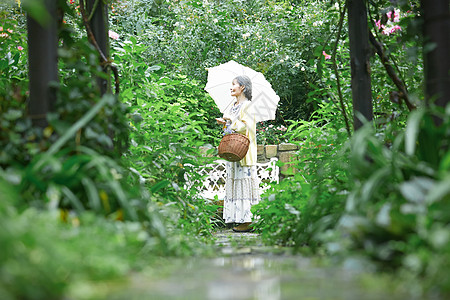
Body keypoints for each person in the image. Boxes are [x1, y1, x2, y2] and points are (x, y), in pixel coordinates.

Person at [216, 75, 260, 232]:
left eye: (234, 84)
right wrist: (225, 123)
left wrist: (231, 121)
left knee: (244, 183)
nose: (231, 87)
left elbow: (246, 127)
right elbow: (232, 127)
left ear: (242, 87)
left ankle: (248, 221)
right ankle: (238, 218)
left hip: (244, 152)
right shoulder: (233, 105)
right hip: (233, 151)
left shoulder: (248, 105)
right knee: (235, 183)